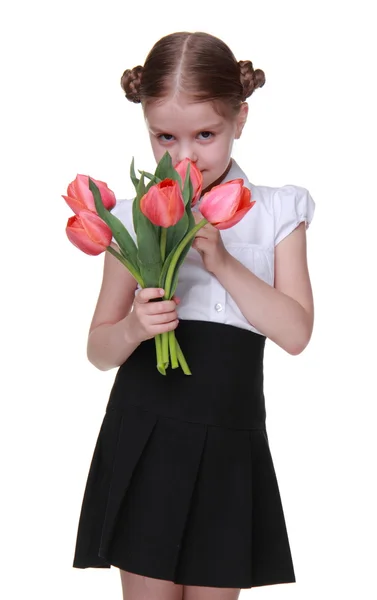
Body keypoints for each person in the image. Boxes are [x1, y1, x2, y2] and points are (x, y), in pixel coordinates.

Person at [72, 31, 315, 600]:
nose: (184, 158)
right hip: (147, 429)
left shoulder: (279, 211)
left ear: (241, 119)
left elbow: (297, 333)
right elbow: (98, 351)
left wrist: (223, 262)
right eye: (165, 137)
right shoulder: (132, 219)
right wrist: (134, 326)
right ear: (147, 129)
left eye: (205, 135)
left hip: (230, 436)